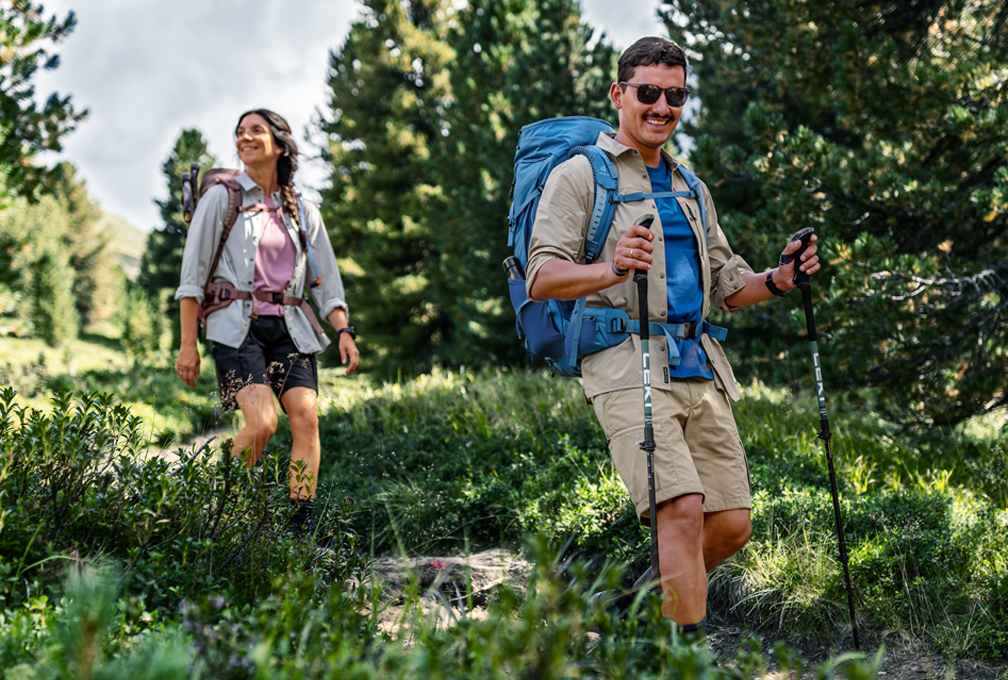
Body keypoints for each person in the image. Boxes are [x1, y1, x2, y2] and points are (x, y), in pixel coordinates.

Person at [526, 37, 821, 634]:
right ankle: (684, 656)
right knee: (680, 511)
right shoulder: (580, 175)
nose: (663, 106)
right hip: (622, 359)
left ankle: (635, 605)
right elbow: (541, 275)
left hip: (698, 363)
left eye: (676, 94)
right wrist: (612, 269)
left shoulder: (690, 186)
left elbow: (729, 284)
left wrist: (781, 278)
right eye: (649, 93)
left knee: (732, 521)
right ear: (619, 94)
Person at [174, 109, 359, 531]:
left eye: (256, 130)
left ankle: (298, 526)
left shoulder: (303, 211)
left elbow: (326, 282)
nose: (245, 137)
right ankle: (225, 509)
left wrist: (343, 330)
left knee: (305, 420)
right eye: (240, 132)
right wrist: (188, 345)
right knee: (261, 423)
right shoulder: (222, 199)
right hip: (237, 329)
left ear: (279, 142)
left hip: (292, 329)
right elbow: (192, 279)